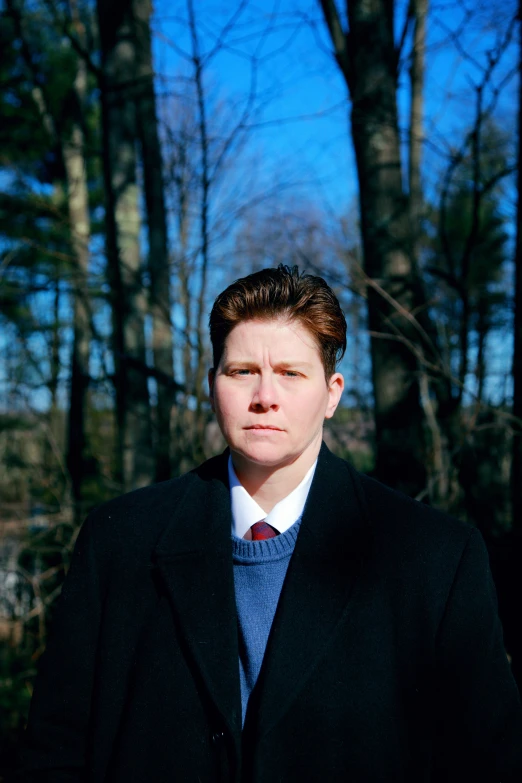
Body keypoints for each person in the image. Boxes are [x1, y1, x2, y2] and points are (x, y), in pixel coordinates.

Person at [22, 265, 522, 782]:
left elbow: (489, 762)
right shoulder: (120, 540)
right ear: (212, 384)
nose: (265, 395)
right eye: (241, 371)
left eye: (290, 372)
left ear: (332, 393)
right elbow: (55, 751)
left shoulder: (434, 558)